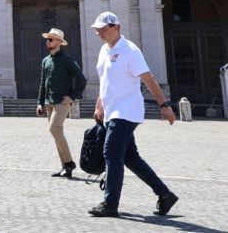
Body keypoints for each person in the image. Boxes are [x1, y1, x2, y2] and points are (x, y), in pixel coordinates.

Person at [88, 11, 178, 218]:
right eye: (97, 30)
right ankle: (165, 195)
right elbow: (104, 82)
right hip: (111, 111)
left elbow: (148, 78)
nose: (100, 33)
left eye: (103, 29)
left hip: (126, 110)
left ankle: (110, 204)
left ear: (116, 27)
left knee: (111, 152)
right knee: (130, 157)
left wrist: (164, 104)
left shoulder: (130, 50)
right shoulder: (103, 50)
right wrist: (99, 106)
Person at [34, 27, 86, 178]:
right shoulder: (45, 61)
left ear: (59, 42)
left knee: (54, 129)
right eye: (47, 39)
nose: (48, 41)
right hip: (49, 102)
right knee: (57, 133)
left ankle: (69, 162)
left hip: (62, 102)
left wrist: (73, 96)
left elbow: (81, 79)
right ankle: (65, 167)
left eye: (51, 39)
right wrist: (40, 102)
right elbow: (43, 83)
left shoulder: (67, 59)